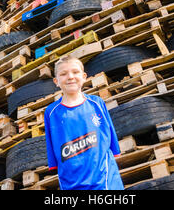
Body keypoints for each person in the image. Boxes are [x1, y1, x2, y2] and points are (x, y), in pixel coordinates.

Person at [44, 53, 124, 190]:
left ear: (84, 77)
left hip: (104, 179)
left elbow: (110, 136)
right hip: (71, 182)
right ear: (56, 81)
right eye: (63, 74)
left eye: (75, 72)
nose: (70, 77)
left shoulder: (96, 103)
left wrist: (114, 154)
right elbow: (52, 146)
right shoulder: (51, 113)